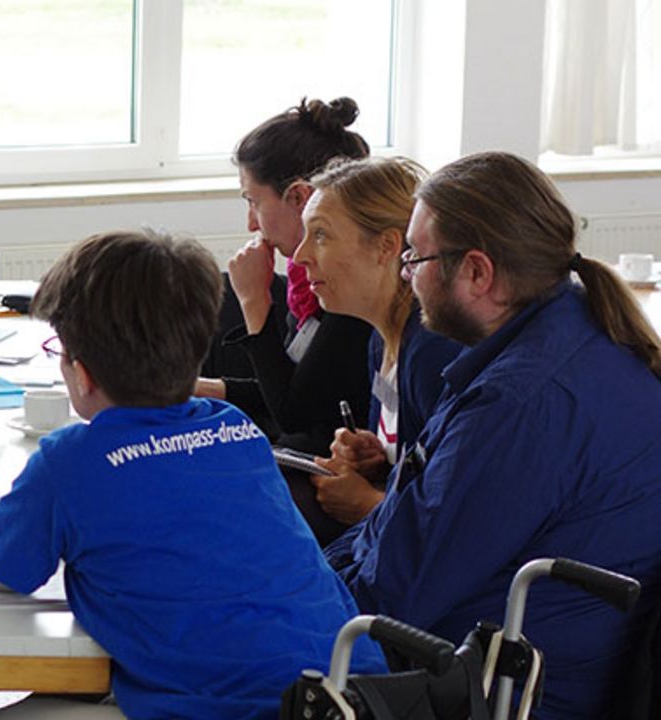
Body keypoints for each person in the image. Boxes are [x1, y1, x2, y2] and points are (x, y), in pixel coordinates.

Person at [0, 230, 385, 719]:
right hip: (343, 693)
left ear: (80, 374)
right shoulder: (234, 430)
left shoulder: (71, 459)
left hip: (222, 708)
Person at [337, 151, 661, 718]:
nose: (405, 273)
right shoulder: (577, 331)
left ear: (478, 273)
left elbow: (392, 593)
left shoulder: (521, 404)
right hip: (535, 661)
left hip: (508, 692)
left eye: (415, 256)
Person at [286, 157, 461, 544]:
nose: (299, 256)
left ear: (385, 247)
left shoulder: (434, 352)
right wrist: (374, 455)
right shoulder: (380, 338)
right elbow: (412, 461)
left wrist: (368, 504)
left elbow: (458, 518)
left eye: (320, 236)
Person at [195, 97, 374, 457]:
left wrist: (255, 303)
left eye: (253, 202)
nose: (250, 223)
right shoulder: (304, 282)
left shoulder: (348, 289)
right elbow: (290, 385)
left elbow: (295, 415)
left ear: (299, 198)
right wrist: (192, 388)